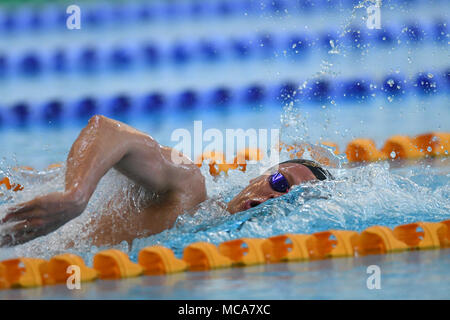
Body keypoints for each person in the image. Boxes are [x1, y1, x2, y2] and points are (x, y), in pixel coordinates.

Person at [0, 115, 332, 247]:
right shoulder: (188, 186)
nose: (276, 197)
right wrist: (76, 196)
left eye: (289, 201)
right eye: (279, 181)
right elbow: (106, 130)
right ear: (260, 176)